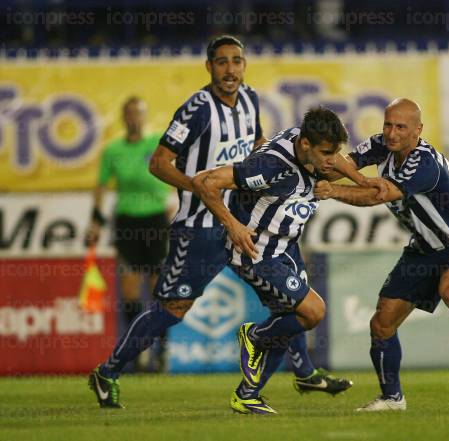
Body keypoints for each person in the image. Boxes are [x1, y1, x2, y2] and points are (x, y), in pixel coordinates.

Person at [88, 36, 352, 409]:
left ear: (244, 66)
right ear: (209, 67)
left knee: (290, 302)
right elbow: (158, 163)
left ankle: (305, 373)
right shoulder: (196, 109)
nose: (230, 70)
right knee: (173, 309)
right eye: (222, 62)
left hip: (246, 220)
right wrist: (196, 187)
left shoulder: (250, 99)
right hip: (203, 226)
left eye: (237, 61)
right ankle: (108, 371)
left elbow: (255, 142)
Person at [314, 98, 449, 412]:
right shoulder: (382, 145)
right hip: (423, 247)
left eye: (400, 127)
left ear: (418, 130)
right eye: (388, 124)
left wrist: (330, 191)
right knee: (382, 322)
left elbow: (377, 196)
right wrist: (312, 171)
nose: (391, 133)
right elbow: (347, 163)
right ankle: (392, 398)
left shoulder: (424, 162)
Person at [192, 106, 356, 414]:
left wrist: (358, 178)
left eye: (335, 152)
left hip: (285, 248)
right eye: (326, 153)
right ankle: (253, 336)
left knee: (288, 322)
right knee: (312, 312)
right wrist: (232, 225)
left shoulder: (303, 142)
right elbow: (205, 182)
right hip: (257, 254)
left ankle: (251, 393)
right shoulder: (270, 168)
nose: (331, 161)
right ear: (306, 145)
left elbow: (336, 163)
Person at [86, 96, 170, 372]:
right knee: (131, 292)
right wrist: (96, 221)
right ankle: (139, 353)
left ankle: (161, 352)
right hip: (128, 224)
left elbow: (177, 174)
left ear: (145, 116)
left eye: (139, 112)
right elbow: (101, 187)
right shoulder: (113, 150)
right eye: (130, 113)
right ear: (124, 117)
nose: (134, 117)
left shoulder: (158, 143)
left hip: (157, 221)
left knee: (160, 291)